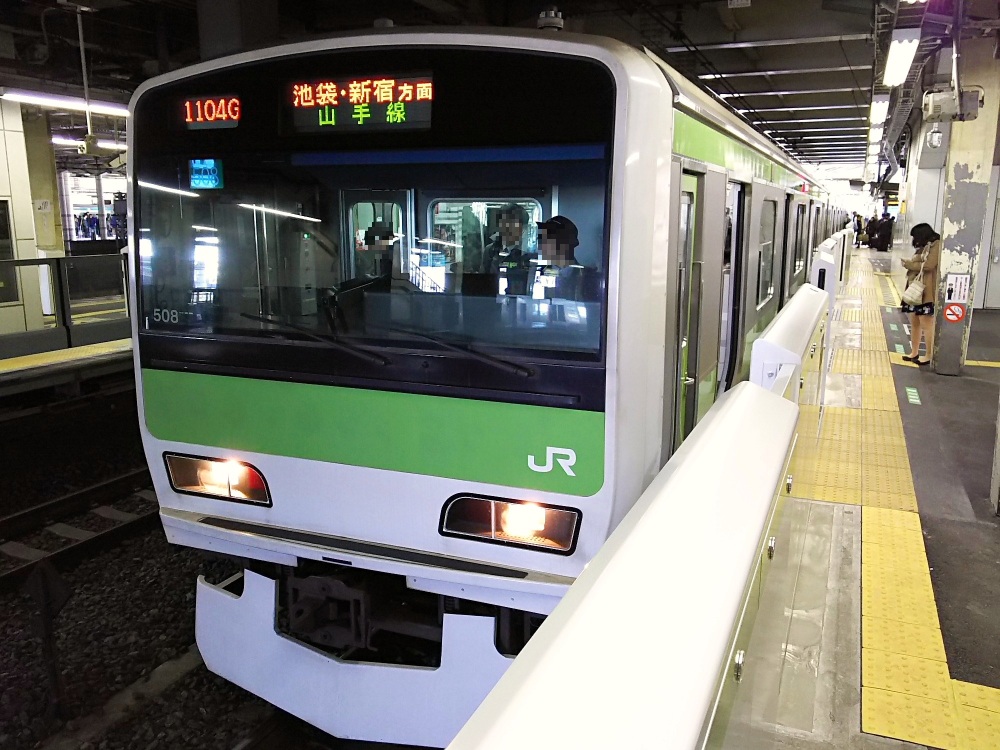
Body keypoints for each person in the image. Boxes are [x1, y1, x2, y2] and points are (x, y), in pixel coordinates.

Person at [900, 222, 941, 365]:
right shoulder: (924, 246)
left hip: (926, 290)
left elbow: (929, 265)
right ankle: (914, 352)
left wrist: (910, 264)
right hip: (915, 288)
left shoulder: (936, 245)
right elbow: (921, 263)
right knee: (915, 321)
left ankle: (929, 355)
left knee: (926, 322)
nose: (915, 240)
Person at [481, 203, 532, 295]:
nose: (508, 227)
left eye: (513, 223)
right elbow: (483, 281)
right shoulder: (490, 250)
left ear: (523, 227)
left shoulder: (531, 253)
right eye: (504, 222)